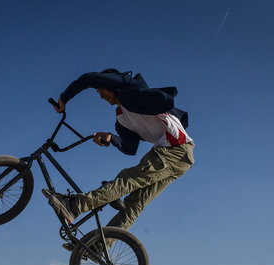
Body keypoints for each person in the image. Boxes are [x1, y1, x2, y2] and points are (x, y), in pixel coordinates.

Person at [43, 69, 194, 250]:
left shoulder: (129, 87)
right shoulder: (121, 118)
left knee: (127, 179)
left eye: (101, 90)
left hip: (175, 150)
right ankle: (99, 246)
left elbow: (87, 78)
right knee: (134, 205)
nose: (101, 96)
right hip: (179, 159)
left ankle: (75, 205)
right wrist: (110, 138)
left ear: (111, 83)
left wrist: (64, 98)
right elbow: (130, 148)